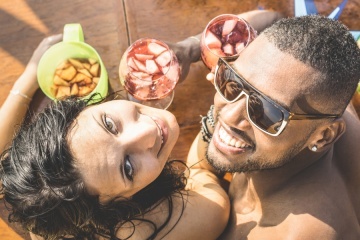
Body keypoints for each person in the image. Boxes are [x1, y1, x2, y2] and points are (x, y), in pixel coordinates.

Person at [0, 37, 231, 239]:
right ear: (120, 206)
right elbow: (203, 173)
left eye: (108, 124)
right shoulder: (197, 216)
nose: (147, 131)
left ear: (81, 105)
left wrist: (28, 78)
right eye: (127, 167)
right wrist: (221, 111)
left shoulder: (35, 189)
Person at [181, 14, 360, 239]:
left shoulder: (287, 233)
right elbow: (273, 19)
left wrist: (211, 202)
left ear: (323, 137)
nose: (229, 114)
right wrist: (186, 50)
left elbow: (198, 167)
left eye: (267, 111)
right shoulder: (314, 91)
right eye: (232, 81)